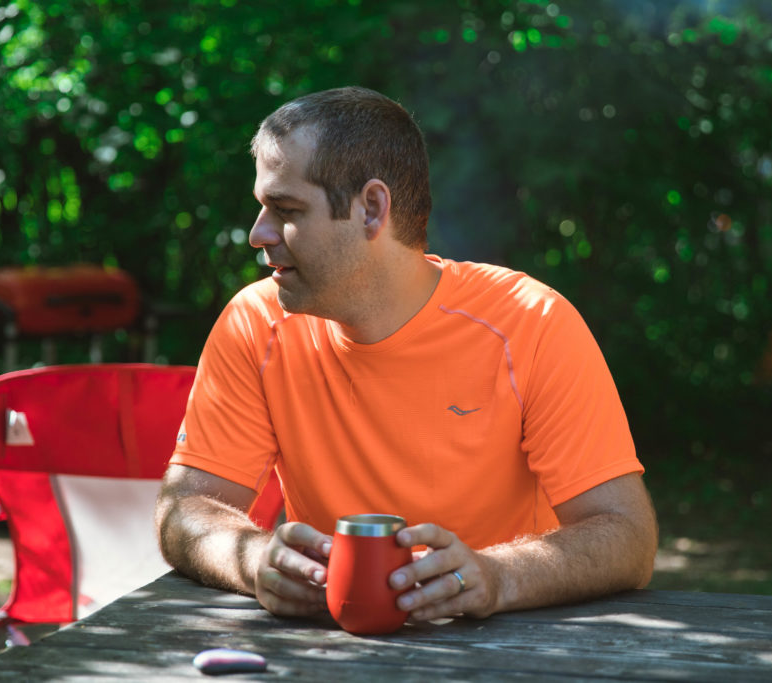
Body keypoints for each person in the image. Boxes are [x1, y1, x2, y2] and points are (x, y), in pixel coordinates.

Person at [154, 86, 657, 623]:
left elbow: (627, 534)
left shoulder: (530, 321)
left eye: (286, 209)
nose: (259, 234)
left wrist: (497, 576)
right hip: (327, 643)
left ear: (372, 209)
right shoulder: (254, 324)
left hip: (508, 644)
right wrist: (254, 560)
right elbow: (183, 508)